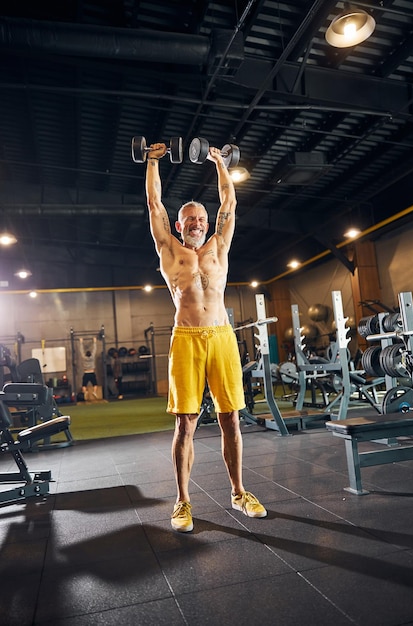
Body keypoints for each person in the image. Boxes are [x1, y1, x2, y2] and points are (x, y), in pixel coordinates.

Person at [145, 141, 267, 533]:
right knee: (186, 423)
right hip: (186, 339)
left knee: (231, 418)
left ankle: (238, 492)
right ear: (179, 226)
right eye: (189, 219)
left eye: (201, 217)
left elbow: (229, 201)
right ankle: (182, 501)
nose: (197, 222)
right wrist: (151, 161)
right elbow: (154, 205)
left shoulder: (219, 247)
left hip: (221, 337)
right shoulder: (170, 252)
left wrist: (219, 163)